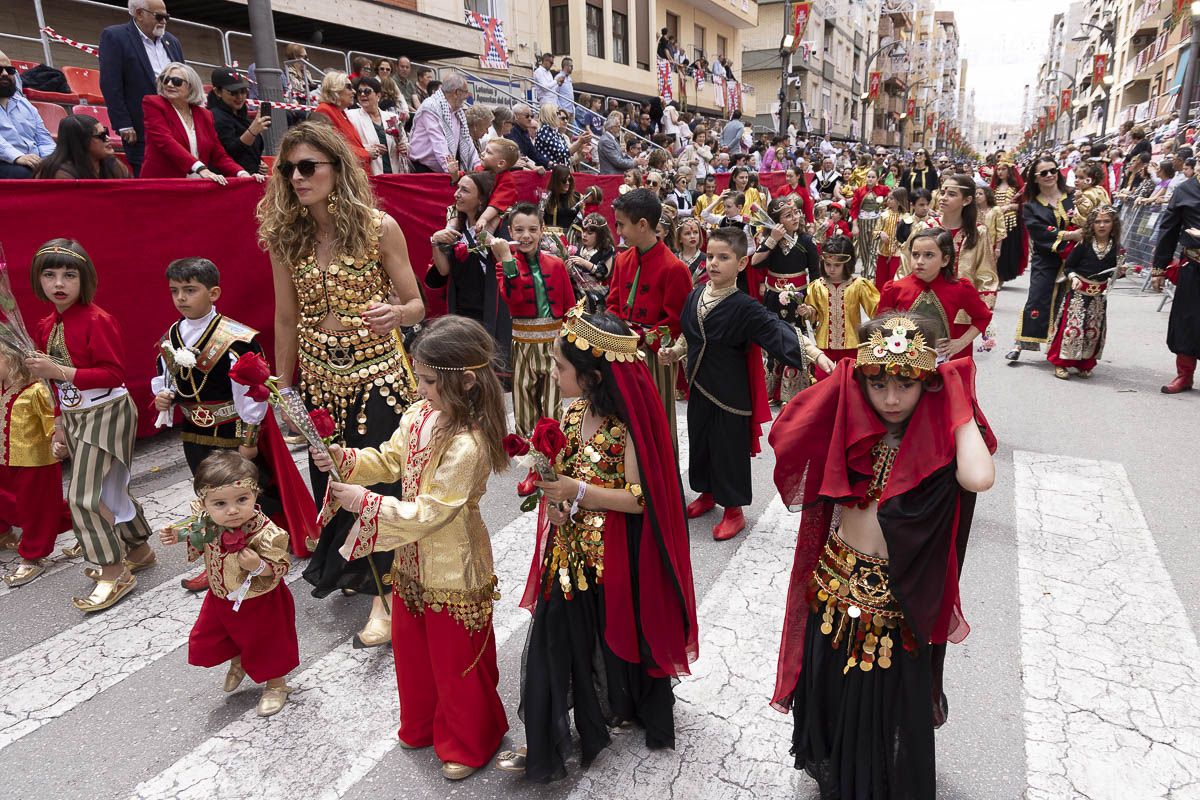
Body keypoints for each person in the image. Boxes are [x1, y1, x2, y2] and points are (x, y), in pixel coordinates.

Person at [770, 311, 996, 799]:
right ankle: (833, 766)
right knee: (832, 692)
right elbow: (786, 432)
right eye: (878, 383)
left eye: (907, 384)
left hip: (896, 603)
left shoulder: (942, 440)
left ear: (929, 382)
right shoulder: (851, 418)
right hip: (833, 584)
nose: (891, 398)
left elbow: (979, 477)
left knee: (881, 707)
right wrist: (846, 381)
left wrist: (956, 393)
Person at [495, 294, 698, 781]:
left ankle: (615, 707)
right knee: (553, 637)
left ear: (594, 376)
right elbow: (562, 478)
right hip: (568, 549)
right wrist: (557, 501)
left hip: (614, 553)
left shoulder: (625, 429)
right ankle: (543, 736)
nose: (555, 373)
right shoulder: (568, 417)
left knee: (612, 633)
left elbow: (640, 499)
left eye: (562, 366)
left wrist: (578, 491)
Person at [311, 316, 509, 780]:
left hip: (455, 562)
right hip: (411, 558)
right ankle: (422, 725)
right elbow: (388, 459)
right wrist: (343, 459)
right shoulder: (419, 415)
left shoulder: (470, 443)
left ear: (464, 382)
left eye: (427, 381)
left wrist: (366, 502)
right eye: (418, 378)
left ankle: (470, 739)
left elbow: (433, 511)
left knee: (457, 659)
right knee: (414, 650)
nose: (419, 389)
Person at [258, 121, 424, 646]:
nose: (298, 178)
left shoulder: (380, 227)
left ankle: (389, 593)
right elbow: (285, 319)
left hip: (378, 375)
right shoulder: (287, 237)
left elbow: (417, 303)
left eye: (309, 167)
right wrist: (284, 388)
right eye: (289, 170)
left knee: (381, 481)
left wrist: (394, 314)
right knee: (331, 479)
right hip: (319, 377)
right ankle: (359, 568)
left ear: (337, 168)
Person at [150, 256, 318, 591]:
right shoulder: (171, 336)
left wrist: (249, 438)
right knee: (209, 496)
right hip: (194, 432)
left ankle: (263, 547)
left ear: (213, 293)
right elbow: (168, 378)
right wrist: (164, 399)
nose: (181, 298)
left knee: (248, 495)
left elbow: (253, 393)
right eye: (175, 291)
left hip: (231, 431)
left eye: (190, 290)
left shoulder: (236, 338)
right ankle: (215, 557)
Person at [660, 228, 829, 540]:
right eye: (710, 256)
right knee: (700, 443)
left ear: (741, 263)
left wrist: (817, 355)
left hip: (730, 392)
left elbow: (778, 330)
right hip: (699, 384)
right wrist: (676, 351)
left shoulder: (745, 306)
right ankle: (707, 494)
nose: (713, 263)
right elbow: (689, 333)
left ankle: (734, 511)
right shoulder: (696, 294)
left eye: (723, 258)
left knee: (728, 450)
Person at [25, 239, 154, 612]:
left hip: (107, 412)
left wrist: (59, 371)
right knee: (109, 488)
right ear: (39, 281)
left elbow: (113, 374)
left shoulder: (98, 320)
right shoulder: (46, 324)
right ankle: (140, 550)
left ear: (85, 279)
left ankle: (113, 570)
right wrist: (60, 424)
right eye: (49, 275)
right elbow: (53, 385)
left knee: (83, 495)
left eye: (69, 274)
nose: (59, 282)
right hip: (77, 414)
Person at [158, 452, 298, 717]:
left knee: (268, 643)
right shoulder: (209, 522)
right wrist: (175, 535)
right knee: (212, 637)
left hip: (261, 600)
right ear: (205, 503)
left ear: (255, 495)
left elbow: (281, 564)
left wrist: (258, 565)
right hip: (221, 595)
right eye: (220, 503)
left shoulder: (266, 531)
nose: (232, 510)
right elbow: (195, 531)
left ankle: (276, 684)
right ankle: (239, 661)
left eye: (242, 500)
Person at [607, 189, 693, 446]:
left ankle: (663, 483)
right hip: (621, 350)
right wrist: (613, 329)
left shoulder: (674, 268)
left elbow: (676, 322)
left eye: (621, 224)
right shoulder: (622, 260)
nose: (618, 231)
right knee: (623, 420)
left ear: (642, 224)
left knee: (658, 421)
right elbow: (613, 303)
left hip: (656, 358)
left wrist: (644, 337)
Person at [490, 203, 577, 434]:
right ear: (510, 232)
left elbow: (570, 308)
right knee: (524, 408)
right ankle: (533, 465)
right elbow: (514, 298)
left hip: (554, 345)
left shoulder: (556, 265)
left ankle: (554, 459)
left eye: (532, 229)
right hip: (523, 346)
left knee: (553, 409)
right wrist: (507, 259)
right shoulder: (505, 266)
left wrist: (570, 345)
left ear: (542, 230)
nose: (526, 236)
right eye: (519, 230)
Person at [0, 339, 73, 587]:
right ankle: (86, 519)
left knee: (36, 508)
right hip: (6, 459)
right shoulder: (2, 388)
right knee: (12, 501)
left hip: (36, 462)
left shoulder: (36, 390)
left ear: (12, 359)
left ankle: (33, 557)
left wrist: (59, 441)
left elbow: (53, 422)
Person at [426, 171, 512, 367]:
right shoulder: (455, 227)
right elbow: (444, 271)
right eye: (458, 188)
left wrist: (493, 243)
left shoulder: (500, 225)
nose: (457, 194)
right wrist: (435, 241)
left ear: (481, 199)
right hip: (461, 306)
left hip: (490, 306)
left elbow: (507, 266)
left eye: (464, 190)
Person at [1006, 157, 1082, 362]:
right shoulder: (1031, 205)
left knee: (1071, 302)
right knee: (1038, 297)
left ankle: (1065, 347)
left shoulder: (1074, 195)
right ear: (1035, 178)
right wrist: (1069, 236)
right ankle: (1021, 343)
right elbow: (1039, 231)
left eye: (1052, 170)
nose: (1049, 175)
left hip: (1077, 257)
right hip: (1046, 256)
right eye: (1043, 173)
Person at [98, 0, 184, 175]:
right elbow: (111, 84)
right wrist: (123, 123)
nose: (164, 21)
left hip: (175, 123)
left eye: (166, 17)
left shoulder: (172, 41)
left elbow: (184, 78)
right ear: (139, 14)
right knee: (148, 176)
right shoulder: (115, 36)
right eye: (159, 16)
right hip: (140, 125)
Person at [881, 228, 993, 360]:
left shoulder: (959, 288)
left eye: (929, 255)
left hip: (940, 364)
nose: (920, 261)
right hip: (899, 362)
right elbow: (880, 326)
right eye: (915, 254)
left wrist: (961, 342)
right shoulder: (895, 288)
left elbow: (983, 317)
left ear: (945, 260)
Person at [139, 63, 259, 182]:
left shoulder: (204, 115)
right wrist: (200, 168)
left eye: (176, 81)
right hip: (163, 185)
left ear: (191, 86)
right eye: (165, 80)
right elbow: (165, 141)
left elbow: (218, 153)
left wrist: (241, 173)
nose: (169, 84)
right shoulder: (153, 103)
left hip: (196, 186)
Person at [899, 174, 999, 310]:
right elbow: (906, 261)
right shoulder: (925, 227)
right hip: (924, 307)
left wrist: (983, 309)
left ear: (967, 200)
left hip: (963, 311)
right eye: (942, 193)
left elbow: (986, 274)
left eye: (951, 194)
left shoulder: (978, 232)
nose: (943, 198)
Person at [1046, 205, 1119, 380]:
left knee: (1092, 331)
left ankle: (1084, 364)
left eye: (1106, 221)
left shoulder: (1116, 247)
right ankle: (1060, 363)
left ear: (1113, 224)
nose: (1102, 225)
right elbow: (1069, 266)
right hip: (1078, 294)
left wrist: (1121, 272)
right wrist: (1074, 277)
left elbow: (1113, 272)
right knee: (1071, 329)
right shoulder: (1084, 244)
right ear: (1091, 225)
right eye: (1098, 221)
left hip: (1098, 297)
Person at [1150, 167, 1200, 394]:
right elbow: (1168, 229)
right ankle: (1184, 375)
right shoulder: (1184, 190)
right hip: (1193, 266)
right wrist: (1159, 267)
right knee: (1186, 321)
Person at [799, 234, 880, 366]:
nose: (831, 269)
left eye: (837, 265)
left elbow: (877, 310)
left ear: (847, 263)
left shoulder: (859, 284)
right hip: (824, 346)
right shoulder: (817, 286)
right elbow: (814, 314)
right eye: (828, 264)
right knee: (824, 382)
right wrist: (807, 311)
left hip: (852, 345)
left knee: (850, 381)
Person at [409, 73, 479, 176]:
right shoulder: (431, 107)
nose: (467, 95)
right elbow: (439, 142)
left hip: (446, 170)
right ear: (456, 92)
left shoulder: (458, 112)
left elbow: (468, 142)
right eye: (465, 92)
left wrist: (478, 166)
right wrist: (450, 171)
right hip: (424, 170)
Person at [0, 50, 55, 178]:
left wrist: (48, 162)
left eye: (10, 70)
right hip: (7, 160)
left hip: (33, 162)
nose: (4, 74)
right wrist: (18, 157)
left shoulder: (25, 105)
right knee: (25, 174)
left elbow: (44, 139)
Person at [207, 67, 269, 176]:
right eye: (233, 92)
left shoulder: (241, 115)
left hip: (250, 178)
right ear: (217, 92)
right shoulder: (214, 117)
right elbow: (227, 155)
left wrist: (259, 163)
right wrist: (252, 132)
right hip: (231, 183)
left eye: (243, 91)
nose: (240, 97)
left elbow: (250, 152)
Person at [33, 113, 130, 179]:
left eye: (106, 132)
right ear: (81, 141)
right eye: (101, 135)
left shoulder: (112, 164)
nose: (108, 138)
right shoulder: (59, 173)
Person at [347, 76, 410, 175]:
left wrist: (404, 147)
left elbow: (405, 143)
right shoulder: (351, 116)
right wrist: (368, 149)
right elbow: (348, 146)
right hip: (370, 175)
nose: (362, 94)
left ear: (378, 95)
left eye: (367, 91)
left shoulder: (393, 117)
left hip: (394, 174)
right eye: (359, 92)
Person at [311, 71, 372, 169]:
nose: (354, 91)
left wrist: (366, 150)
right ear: (335, 89)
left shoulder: (340, 112)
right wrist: (365, 153)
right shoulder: (324, 110)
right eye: (348, 87)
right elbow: (332, 147)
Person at [990, 152, 1027, 283]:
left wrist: (1010, 207)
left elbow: (1024, 206)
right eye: (998, 169)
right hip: (994, 222)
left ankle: (1001, 277)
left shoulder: (1016, 187)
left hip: (1010, 223)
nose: (1000, 172)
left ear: (1009, 170)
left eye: (1003, 169)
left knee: (1006, 252)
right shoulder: (993, 188)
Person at [850, 169, 891, 278]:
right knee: (864, 251)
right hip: (862, 223)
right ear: (865, 178)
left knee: (874, 250)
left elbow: (891, 198)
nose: (870, 179)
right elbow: (854, 209)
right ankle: (865, 274)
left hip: (877, 223)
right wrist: (855, 225)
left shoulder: (883, 189)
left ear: (877, 179)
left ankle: (872, 276)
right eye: (868, 176)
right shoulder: (859, 191)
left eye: (873, 177)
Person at [874, 187, 912, 289]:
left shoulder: (906, 217)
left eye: (891, 198)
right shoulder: (884, 215)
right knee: (880, 280)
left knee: (894, 280)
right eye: (888, 198)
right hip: (883, 252)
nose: (888, 201)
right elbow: (874, 232)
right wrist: (880, 233)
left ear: (899, 201)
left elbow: (908, 237)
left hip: (898, 253)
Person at [534, 103, 585, 168]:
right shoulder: (545, 130)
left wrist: (580, 146)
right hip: (550, 173)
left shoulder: (555, 133)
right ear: (550, 115)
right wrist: (580, 141)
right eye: (557, 113)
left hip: (559, 172)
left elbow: (567, 157)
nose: (559, 116)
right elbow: (563, 153)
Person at [508, 103, 552, 171]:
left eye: (532, 116)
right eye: (527, 116)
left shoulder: (524, 131)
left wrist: (550, 164)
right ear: (516, 116)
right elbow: (517, 154)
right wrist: (533, 167)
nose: (530, 119)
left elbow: (533, 153)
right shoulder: (510, 130)